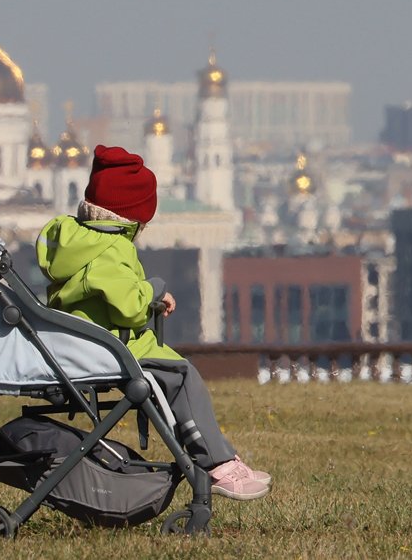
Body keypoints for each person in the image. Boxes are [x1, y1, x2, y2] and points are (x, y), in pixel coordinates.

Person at [35, 145, 272, 501]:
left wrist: (150, 294)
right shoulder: (112, 249)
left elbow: (106, 294)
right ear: (134, 216)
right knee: (182, 375)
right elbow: (129, 310)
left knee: (175, 375)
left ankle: (218, 457)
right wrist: (155, 289)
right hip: (110, 350)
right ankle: (219, 464)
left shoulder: (69, 239)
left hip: (78, 343)